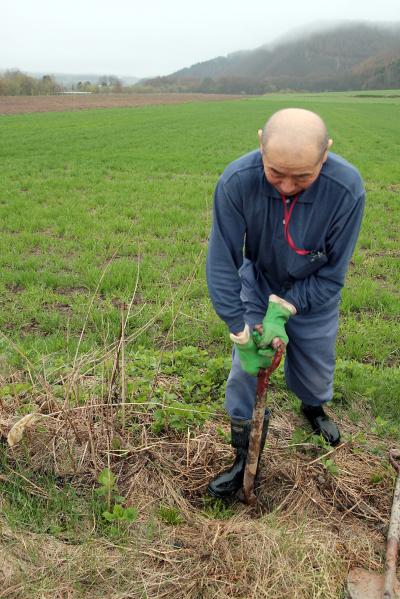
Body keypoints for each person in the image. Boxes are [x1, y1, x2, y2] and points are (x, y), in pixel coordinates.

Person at [206, 108, 365, 500]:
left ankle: (313, 407)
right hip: (260, 282)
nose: (287, 187)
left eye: (302, 177)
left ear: (325, 154)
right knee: (245, 371)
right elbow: (222, 259)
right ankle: (245, 455)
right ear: (260, 142)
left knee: (314, 363)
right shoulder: (237, 181)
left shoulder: (346, 190)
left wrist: (288, 307)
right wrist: (239, 330)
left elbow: (332, 274)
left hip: (313, 290)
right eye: (276, 173)